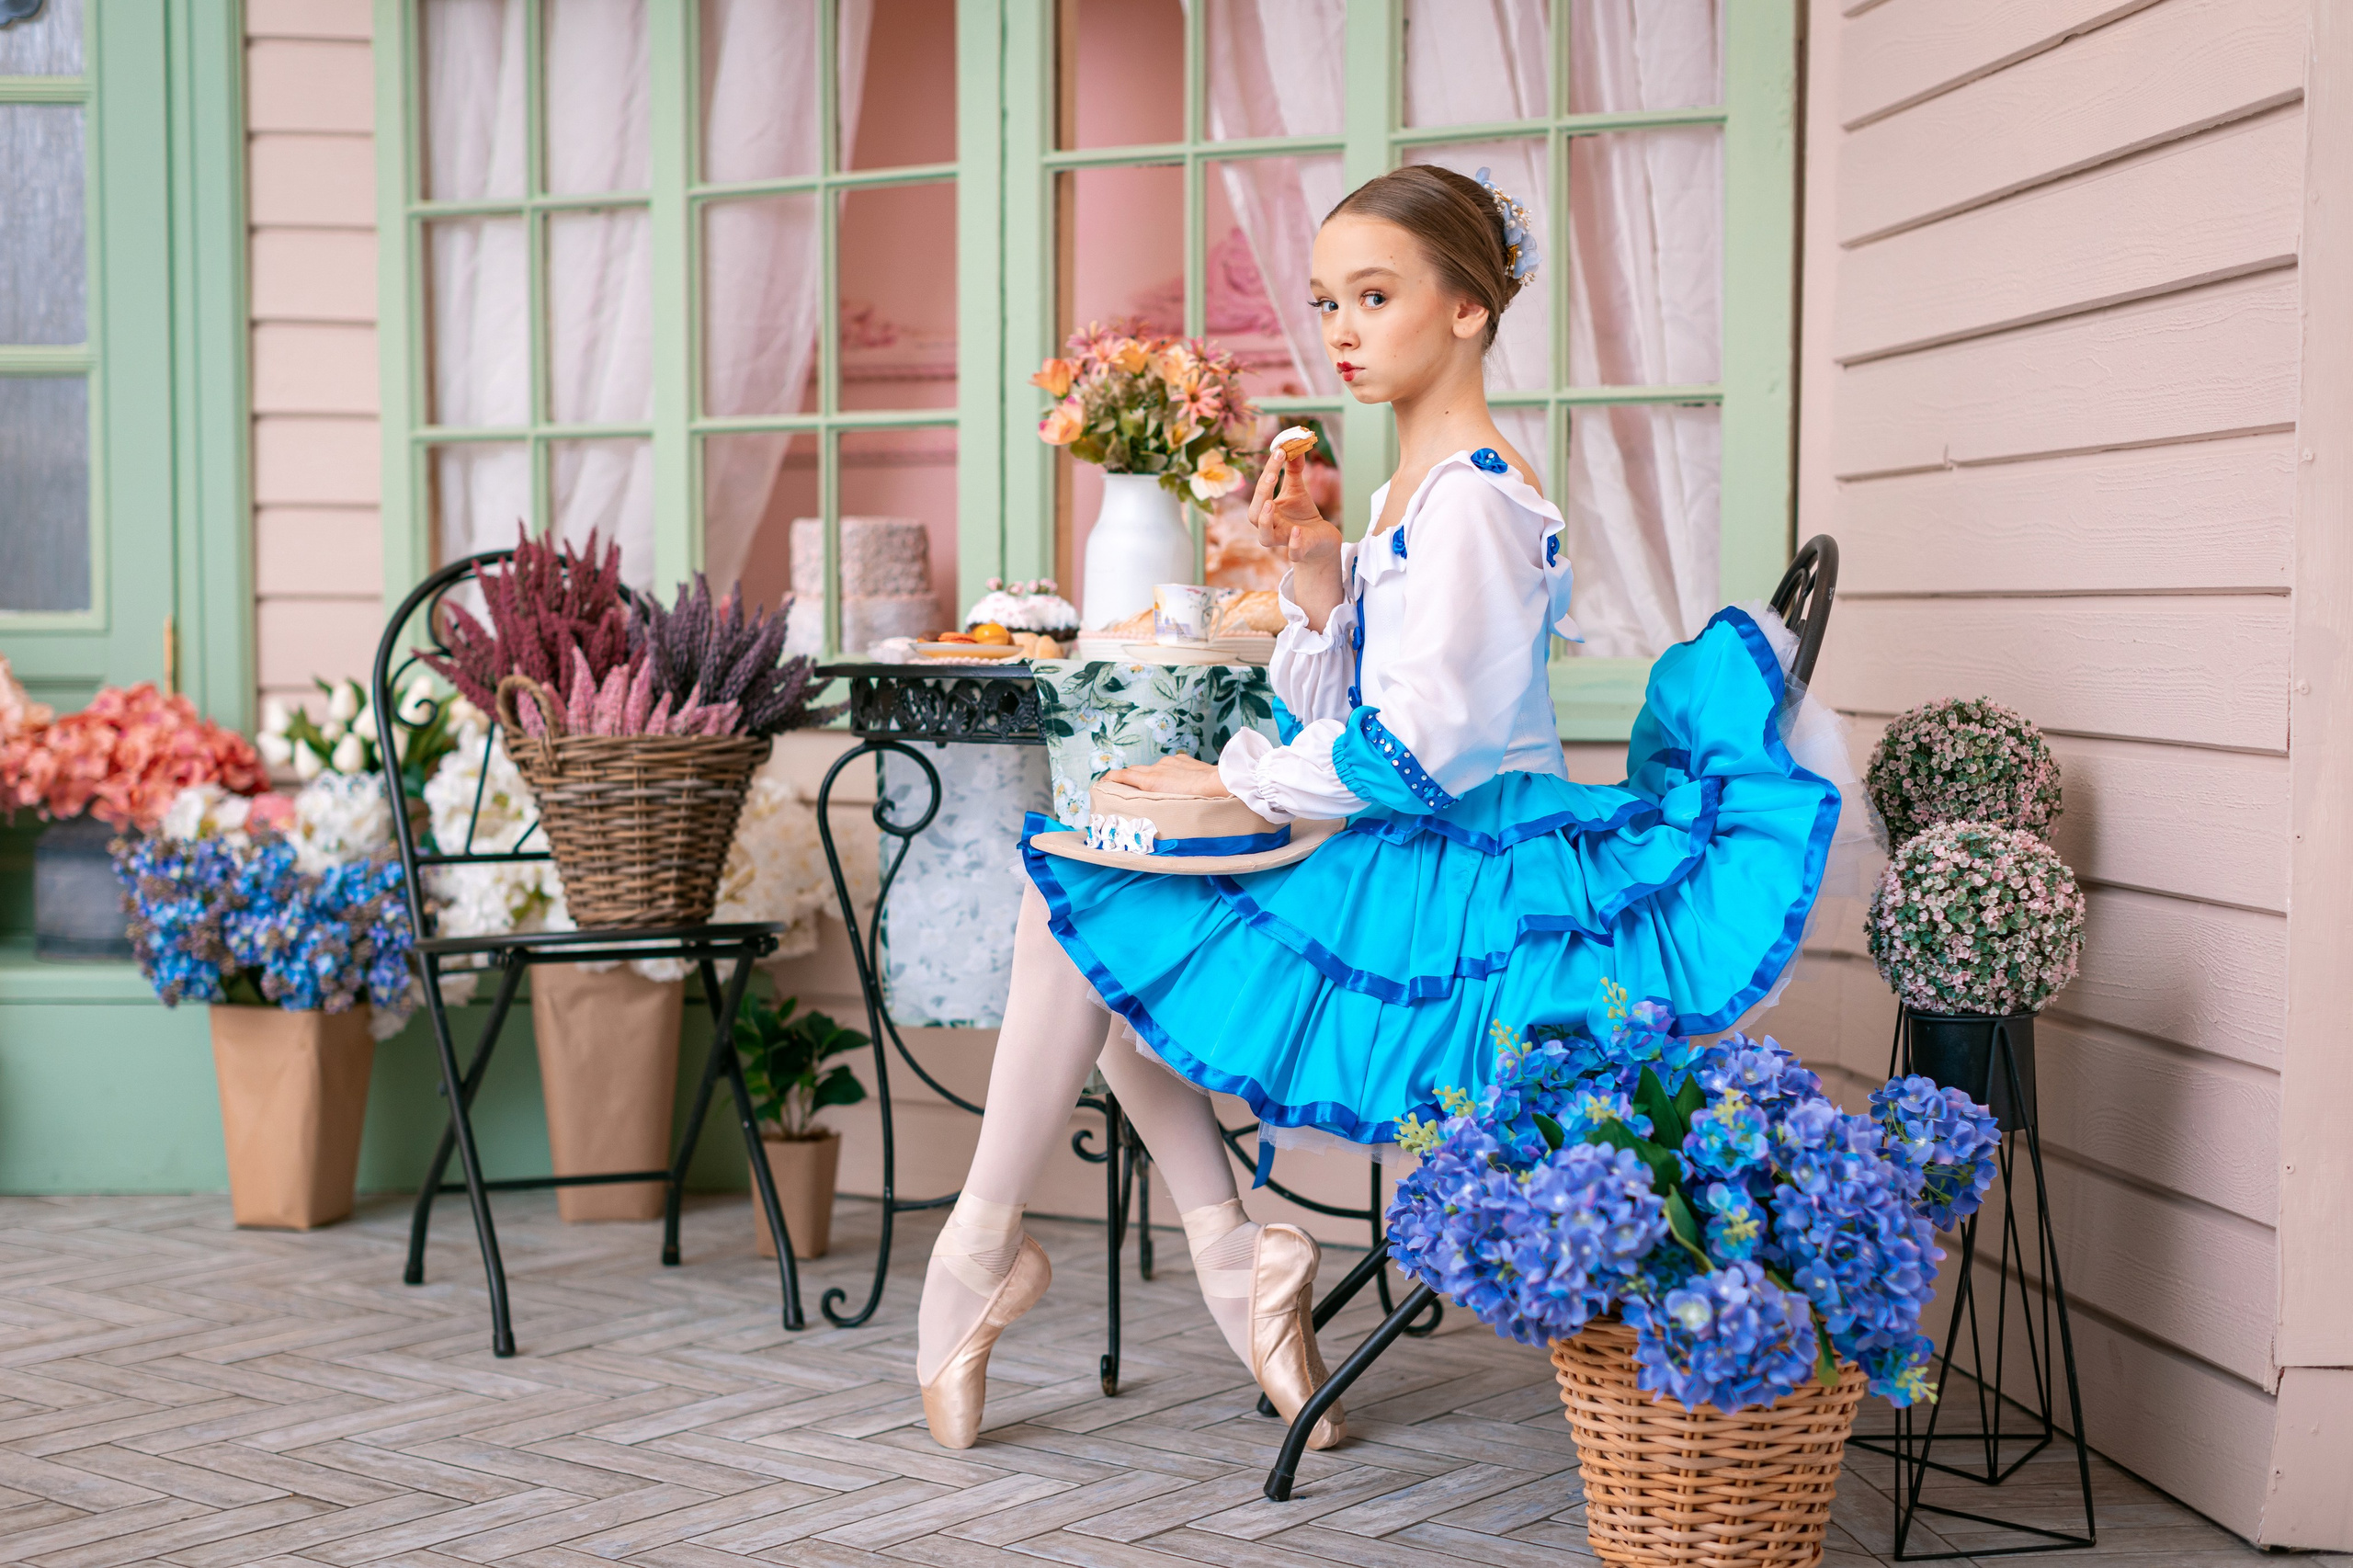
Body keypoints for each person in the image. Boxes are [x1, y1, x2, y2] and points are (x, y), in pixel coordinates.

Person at [914, 165, 1841, 1451]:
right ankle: (1207, 1260)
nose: (1341, 328)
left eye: (1374, 294)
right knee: (1100, 916)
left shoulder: (1472, 500)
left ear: (1468, 308)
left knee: (1086, 900)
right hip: (1407, 830)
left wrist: (1230, 778)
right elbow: (1357, 695)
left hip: (1458, 856)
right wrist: (1312, 585)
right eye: (1326, 301)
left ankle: (1019, 1255)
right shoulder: (1419, 490)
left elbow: (1422, 745)